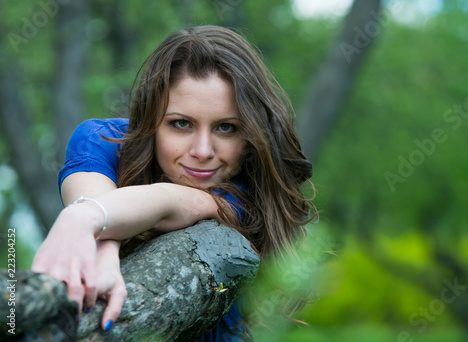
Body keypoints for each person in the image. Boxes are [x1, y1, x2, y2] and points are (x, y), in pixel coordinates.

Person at [31, 25, 315, 340]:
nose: (203, 151)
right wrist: (104, 244)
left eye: (226, 128)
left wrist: (81, 217)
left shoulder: (248, 193)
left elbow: (167, 202)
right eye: (181, 124)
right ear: (151, 122)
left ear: (250, 135)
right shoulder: (103, 139)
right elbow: (95, 197)